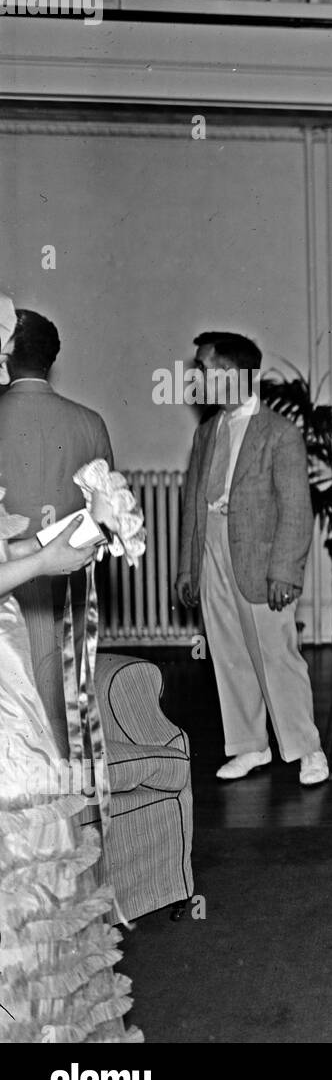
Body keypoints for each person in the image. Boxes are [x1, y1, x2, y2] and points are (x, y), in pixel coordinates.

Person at [0, 293, 142, 1043]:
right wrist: (60, 551)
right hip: (54, 597)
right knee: (60, 741)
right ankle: (80, 874)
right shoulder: (86, 421)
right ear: (49, 357)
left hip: (22, 594)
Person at [175, 332, 328, 786]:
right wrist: (188, 566)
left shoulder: (279, 433)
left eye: (204, 368)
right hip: (212, 551)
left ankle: (307, 749)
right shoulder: (206, 432)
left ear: (233, 373)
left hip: (260, 561)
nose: (197, 377)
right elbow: (192, 504)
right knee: (228, 654)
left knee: (276, 656)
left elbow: (297, 509)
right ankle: (250, 746)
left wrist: (285, 570)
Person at [0, 308, 115, 756]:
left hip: (12, 578)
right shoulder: (89, 421)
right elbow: (106, 515)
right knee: (65, 692)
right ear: (51, 358)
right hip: (70, 576)